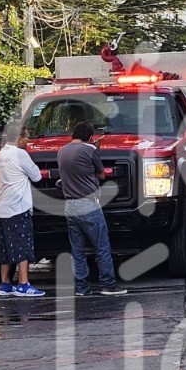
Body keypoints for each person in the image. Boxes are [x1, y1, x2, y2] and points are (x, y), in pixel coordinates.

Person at [58, 121, 128, 297]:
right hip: (88, 204)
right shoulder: (90, 150)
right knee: (102, 247)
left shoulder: (61, 151)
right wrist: (96, 150)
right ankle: (108, 285)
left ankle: (81, 287)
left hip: (69, 206)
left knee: (77, 250)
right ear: (90, 137)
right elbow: (101, 174)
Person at [0, 127, 46, 297]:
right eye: (26, 137)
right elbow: (36, 176)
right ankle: (23, 283)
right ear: (19, 138)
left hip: (1, 207)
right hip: (18, 207)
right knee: (23, 245)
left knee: (6, 247)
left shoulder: (1, 154)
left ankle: (5, 284)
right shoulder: (20, 154)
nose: (28, 140)